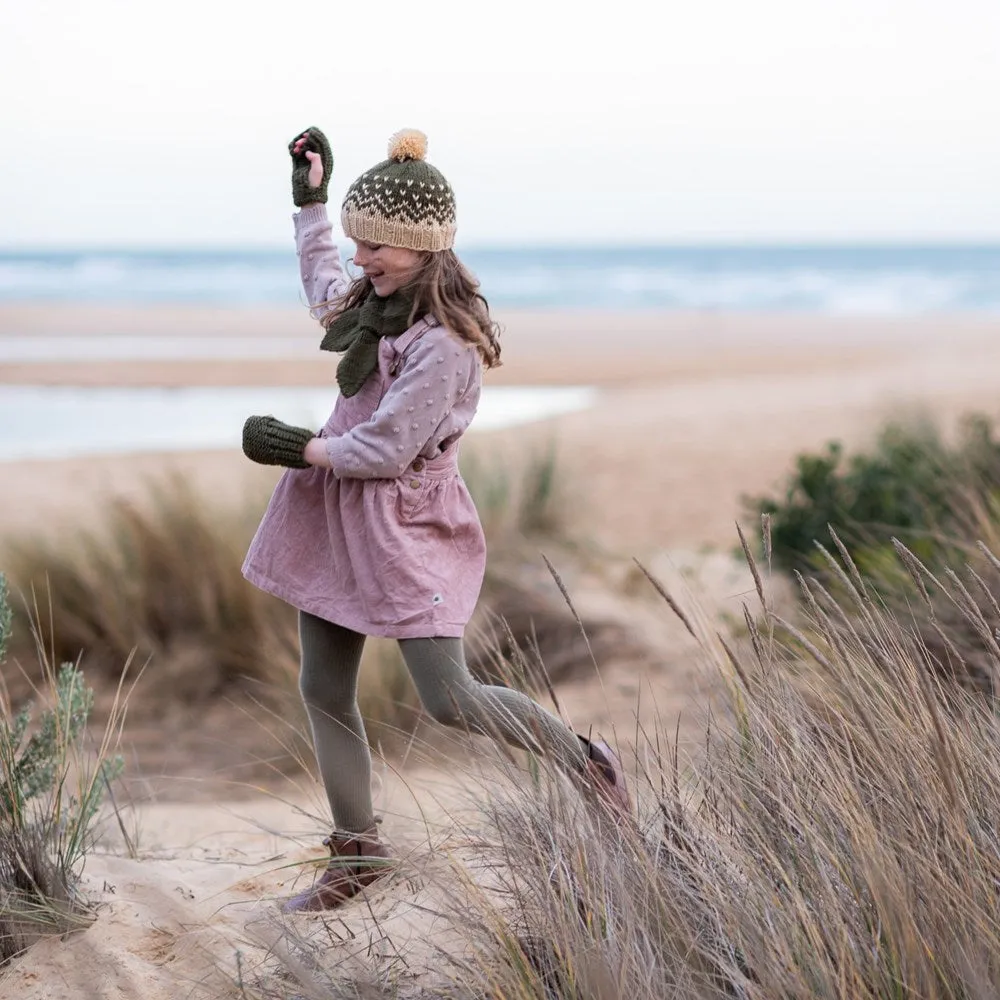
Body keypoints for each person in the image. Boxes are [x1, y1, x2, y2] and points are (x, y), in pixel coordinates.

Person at [240, 126, 630, 914]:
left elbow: (383, 450)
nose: (361, 260)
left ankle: (585, 762)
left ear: (424, 249)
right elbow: (322, 284)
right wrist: (311, 203)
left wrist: (297, 447)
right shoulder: (369, 308)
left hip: (405, 525)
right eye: (359, 243)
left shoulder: (444, 344)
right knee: (323, 685)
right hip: (335, 517)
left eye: (377, 247)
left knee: (447, 697)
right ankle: (358, 853)